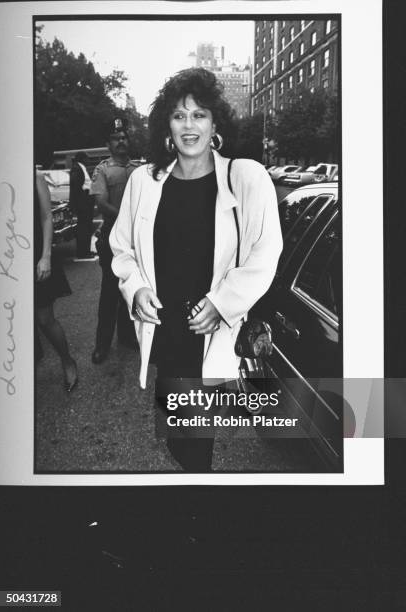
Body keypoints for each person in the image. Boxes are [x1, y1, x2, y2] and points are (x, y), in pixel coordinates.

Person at [110, 68, 283, 471]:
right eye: (179, 115)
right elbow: (121, 247)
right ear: (167, 127)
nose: (190, 126)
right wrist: (135, 288)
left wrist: (223, 304)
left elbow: (266, 252)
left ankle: (199, 522)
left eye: (199, 114)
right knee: (176, 438)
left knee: (194, 446)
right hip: (166, 331)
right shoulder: (144, 181)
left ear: (215, 123)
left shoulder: (244, 177)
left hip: (211, 333)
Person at [90, 118, 139, 364]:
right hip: (112, 239)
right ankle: (102, 345)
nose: (121, 141)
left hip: (135, 241)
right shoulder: (103, 170)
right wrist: (128, 218)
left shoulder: (138, 169)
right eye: (116, 138)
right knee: (109, 292)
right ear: (108, 144)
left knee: (131, 289)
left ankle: (128, 338)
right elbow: (102, 203)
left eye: (124, 138)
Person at [35, 171, 78, 392]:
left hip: (34, 255)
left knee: (44, 319)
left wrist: (45, 256)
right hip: (6, 260)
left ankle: (67, 360)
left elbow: (45, 216)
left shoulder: (34, 177)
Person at [69, 151, 97, 261]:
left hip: (86, 201)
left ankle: (86, 251)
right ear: (82, 159)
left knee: (87, 227)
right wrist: (79, 203)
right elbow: (76, 187)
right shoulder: (77, 169)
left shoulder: (81, 167)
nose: (88, 160)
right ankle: (82, 252)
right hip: (83, 202)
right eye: (87, 158)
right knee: (83, 228)